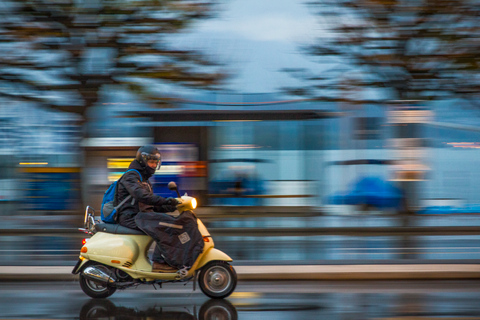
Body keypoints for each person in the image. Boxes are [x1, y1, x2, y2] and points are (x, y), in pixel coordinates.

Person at [116, 145, 179, 273]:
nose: (154, 165)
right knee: (165, 225)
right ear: (142, 161)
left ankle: (168, 260)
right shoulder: (131, 176)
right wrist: (165, 200)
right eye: (151, 162)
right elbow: (142, 196)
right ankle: (159, 262)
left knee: (172, 221)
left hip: (141, 216)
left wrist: (172, 205)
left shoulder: (143, 179)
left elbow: (151, 205)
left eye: (156, 162)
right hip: (130, 217)